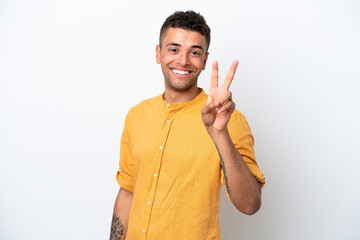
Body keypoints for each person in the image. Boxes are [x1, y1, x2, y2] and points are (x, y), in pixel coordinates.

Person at [110, 10, 265, 240]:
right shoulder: (137, 115)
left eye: (194, 52)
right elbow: (128, 191)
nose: (183, 60)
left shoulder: (227, 120)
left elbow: (250, 204)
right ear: (158, 53)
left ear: (204, 61)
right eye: (174, 49)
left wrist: (220, 134)